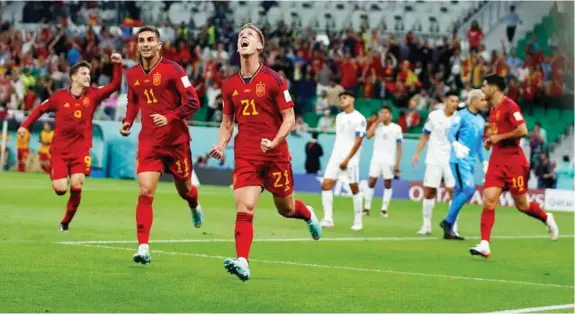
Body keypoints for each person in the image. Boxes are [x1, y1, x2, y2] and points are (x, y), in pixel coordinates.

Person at [208, 23, 321, 282]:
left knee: (287, 209)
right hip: (246, 155)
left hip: (275, 156)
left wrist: (275, 141)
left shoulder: (273, 79)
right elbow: (227, 123)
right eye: (240, 36)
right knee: (244, 207)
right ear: (238, 47)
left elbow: (289, 118)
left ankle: (308, 214)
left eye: (249, 35)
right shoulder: (229, 86)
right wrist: (222, 144)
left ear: (259, 46)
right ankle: (243, 261)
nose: (243, 37)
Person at [120, 26, 203, 265]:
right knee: (145, 191)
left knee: (185, 190)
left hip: (176, 142)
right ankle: (143, 246)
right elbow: (134, 100)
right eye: (141, 40)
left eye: (150, 40)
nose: (145, 44)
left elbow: (193, 102)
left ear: (159, 45)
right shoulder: (133, 74)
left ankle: (194, 204)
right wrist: (127, 121)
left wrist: (169, 117)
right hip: (149, 142)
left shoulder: (173, 70)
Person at [18, 53, 123, 232]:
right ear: (74, 77)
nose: (88, 76)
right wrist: (25, 126)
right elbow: (39, 109)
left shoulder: (94, 95)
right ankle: (61, 181)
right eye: (83, 73)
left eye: (88, 73)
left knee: (77, 183)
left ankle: (65, 222)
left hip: (81, 149)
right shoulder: (59, 97)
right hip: (59, 150)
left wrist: (118, 65)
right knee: (60, 189)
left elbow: (115, 85)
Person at [469, 74, 559, 258]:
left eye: (485, 86)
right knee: (489, 199)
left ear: (494, 88)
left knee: (522, 205)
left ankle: (546, 217)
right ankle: (485, 244)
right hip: (497, 160)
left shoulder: (510, 106)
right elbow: (498, 134)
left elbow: (523, 130)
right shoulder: (493, 110)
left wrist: (498, 138)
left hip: (514, 162)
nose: (482, 89)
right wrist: (490, 142)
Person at [439, 90, 488, 240]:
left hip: (471, 161)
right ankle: (447, 222)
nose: (485, 103)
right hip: (459, 159)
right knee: (468, 190)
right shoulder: (460, 116)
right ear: (473, 101)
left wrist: (484, 161)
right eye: (482, 100)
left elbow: (479, 143)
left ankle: (449, 230)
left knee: (459, 192)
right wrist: (455, 145)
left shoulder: (481, 120)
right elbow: (450, 134)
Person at [412, 91, 459, 235]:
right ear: (445, 101)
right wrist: (417, 153)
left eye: (457, 101)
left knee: (453, 192)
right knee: (430, 191)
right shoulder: (434, 116)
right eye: (452, 101)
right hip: (434, 159)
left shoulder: (459, 119)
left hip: (452, 160)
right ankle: (426, 225)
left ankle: (453, 227)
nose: (455, 104)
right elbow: (425, 136)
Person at [320, 90, 367, 230]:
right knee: (326, 185)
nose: (341, 100)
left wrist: (347, 159)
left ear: (352, 100)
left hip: (350, 159)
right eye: (340, 98)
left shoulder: (359, 118)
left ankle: (358, 221)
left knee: (354, 188)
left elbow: (358, 141)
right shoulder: (339, 117)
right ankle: (328, 219)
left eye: (344, 98)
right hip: (336, 156)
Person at [363, 106, 403, 217]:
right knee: (371, 181)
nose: (384, 115)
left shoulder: (396, 128)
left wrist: (397, 162)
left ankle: (384, 209)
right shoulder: (377, 126)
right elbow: (368, 136)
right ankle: (366, 208)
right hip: (376, 159)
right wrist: (376, 122)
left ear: (390, 115)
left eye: (386, 113)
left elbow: (399, 147)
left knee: (388, 183)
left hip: (389, 160)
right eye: (382, 112)